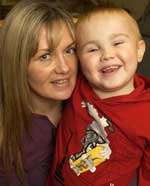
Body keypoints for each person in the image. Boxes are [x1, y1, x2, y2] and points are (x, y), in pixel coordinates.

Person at [50, 5, 150, 186]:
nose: (107, 55)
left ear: (139, 50)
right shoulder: (76, 84)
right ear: (79, 60)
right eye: (92, 49)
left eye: (118, 43)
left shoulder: (146, 111)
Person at [0, 0, 77, 185]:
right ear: (18, 64)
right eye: (45, 56)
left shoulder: (92, 109)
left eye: (70, 50)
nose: (64, 67)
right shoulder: (6, 137)